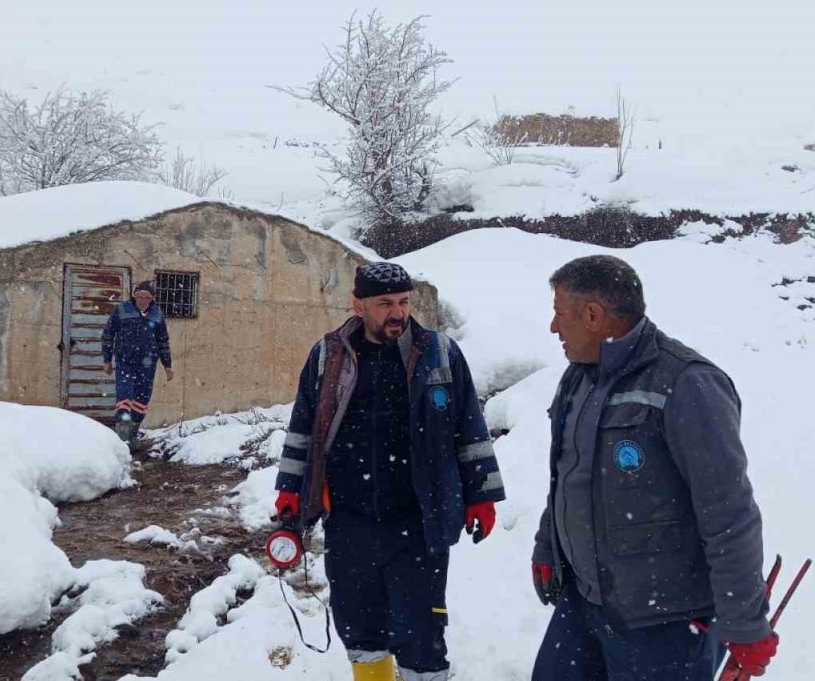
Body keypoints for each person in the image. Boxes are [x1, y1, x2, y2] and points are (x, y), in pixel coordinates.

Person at [530, 255, 778, 680]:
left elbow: (728, 511)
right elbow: (568, 478)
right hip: (584, 602)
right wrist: (548, 546)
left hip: (661, 620)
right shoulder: (577, 378)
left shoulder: (686, 383)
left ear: (593, 316)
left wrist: (745, 624)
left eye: (559, 313)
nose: (554, 327)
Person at [274, 262, 505, 681]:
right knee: (359, 626)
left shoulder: (440, 352)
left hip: (419, 520)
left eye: (403, 302)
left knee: (421, 630)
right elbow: (303, 429)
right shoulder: (329, 355)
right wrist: (290, 489)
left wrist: (482, 494)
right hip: (349, 520)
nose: (397, 313)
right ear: (358, 304)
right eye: (384, 304)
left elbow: (469, 427)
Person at [102, 280, 174, 449]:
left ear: (152, 298)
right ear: (134, 296)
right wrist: (107, 360)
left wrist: (167, 365)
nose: (143, 300)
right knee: (124, 395)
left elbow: (163, 340)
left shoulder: (157, 314)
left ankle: (133, 432)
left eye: (147, 297)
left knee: (142, 399)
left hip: (147, 364)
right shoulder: (121, 310)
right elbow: (108, 334)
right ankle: (122, 436)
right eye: (140, 296)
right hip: (125, 361)